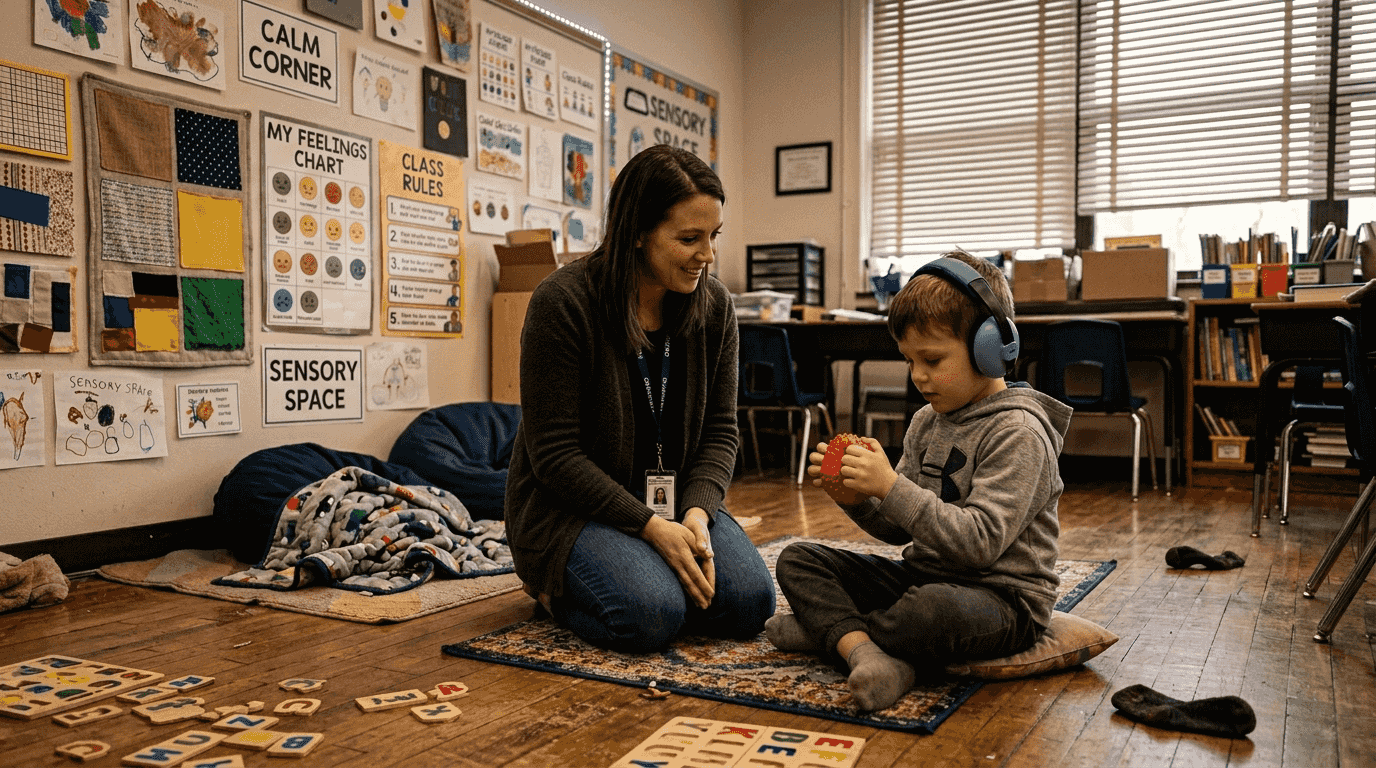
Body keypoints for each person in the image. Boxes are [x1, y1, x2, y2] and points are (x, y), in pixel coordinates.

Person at [767, 250, 1072, 711]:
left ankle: (837, 633)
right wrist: (857, 498)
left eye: (931, 359)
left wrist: (890, 486)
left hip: (1002, 600)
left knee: (930, 611)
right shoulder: (926, 421)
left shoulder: (1020, 432)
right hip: (923, 578)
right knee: (798, 560)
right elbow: (898, 530)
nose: (919, 377)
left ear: (990, 349)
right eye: (909, 361)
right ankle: (868, 650)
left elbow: (979, 544)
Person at [504, 144, 775, 653]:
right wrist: (649, 528)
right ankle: (548, 589)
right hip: (573, 511)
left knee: (749, 604)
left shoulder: (715, 307)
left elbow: (721, 431)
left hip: (674, 504)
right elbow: (555, 456)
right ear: (637, 232)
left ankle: (648, 567)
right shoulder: (562, 302)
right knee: (652, 615)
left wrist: (697, 514)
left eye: (714, 236)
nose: (708, 256)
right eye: (689, 239)